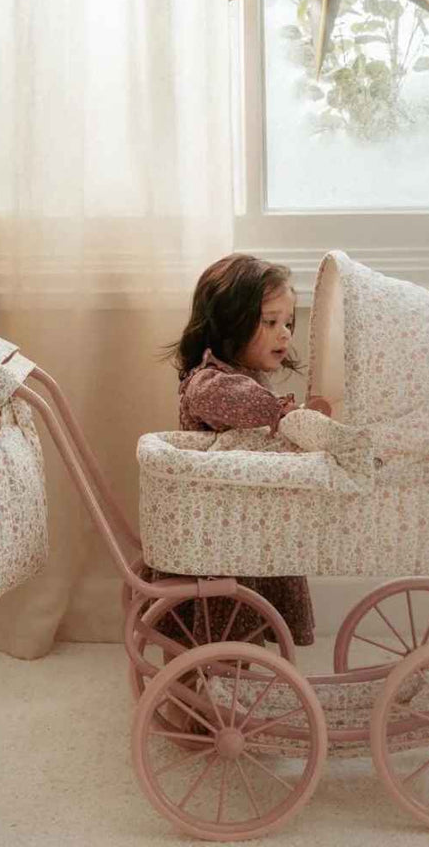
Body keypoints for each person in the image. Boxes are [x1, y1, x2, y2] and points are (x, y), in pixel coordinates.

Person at [147, 253, 331, 649]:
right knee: (220, 629)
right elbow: (243, 403)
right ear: (229, 322)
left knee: (239, 634)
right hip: (218, 534)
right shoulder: (211, 383)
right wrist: (289, 415)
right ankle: (195, 697)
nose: (285, 334)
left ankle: (223, 689)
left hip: (246, 525)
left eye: (288, 323)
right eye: (270, 322)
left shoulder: (248, 377)